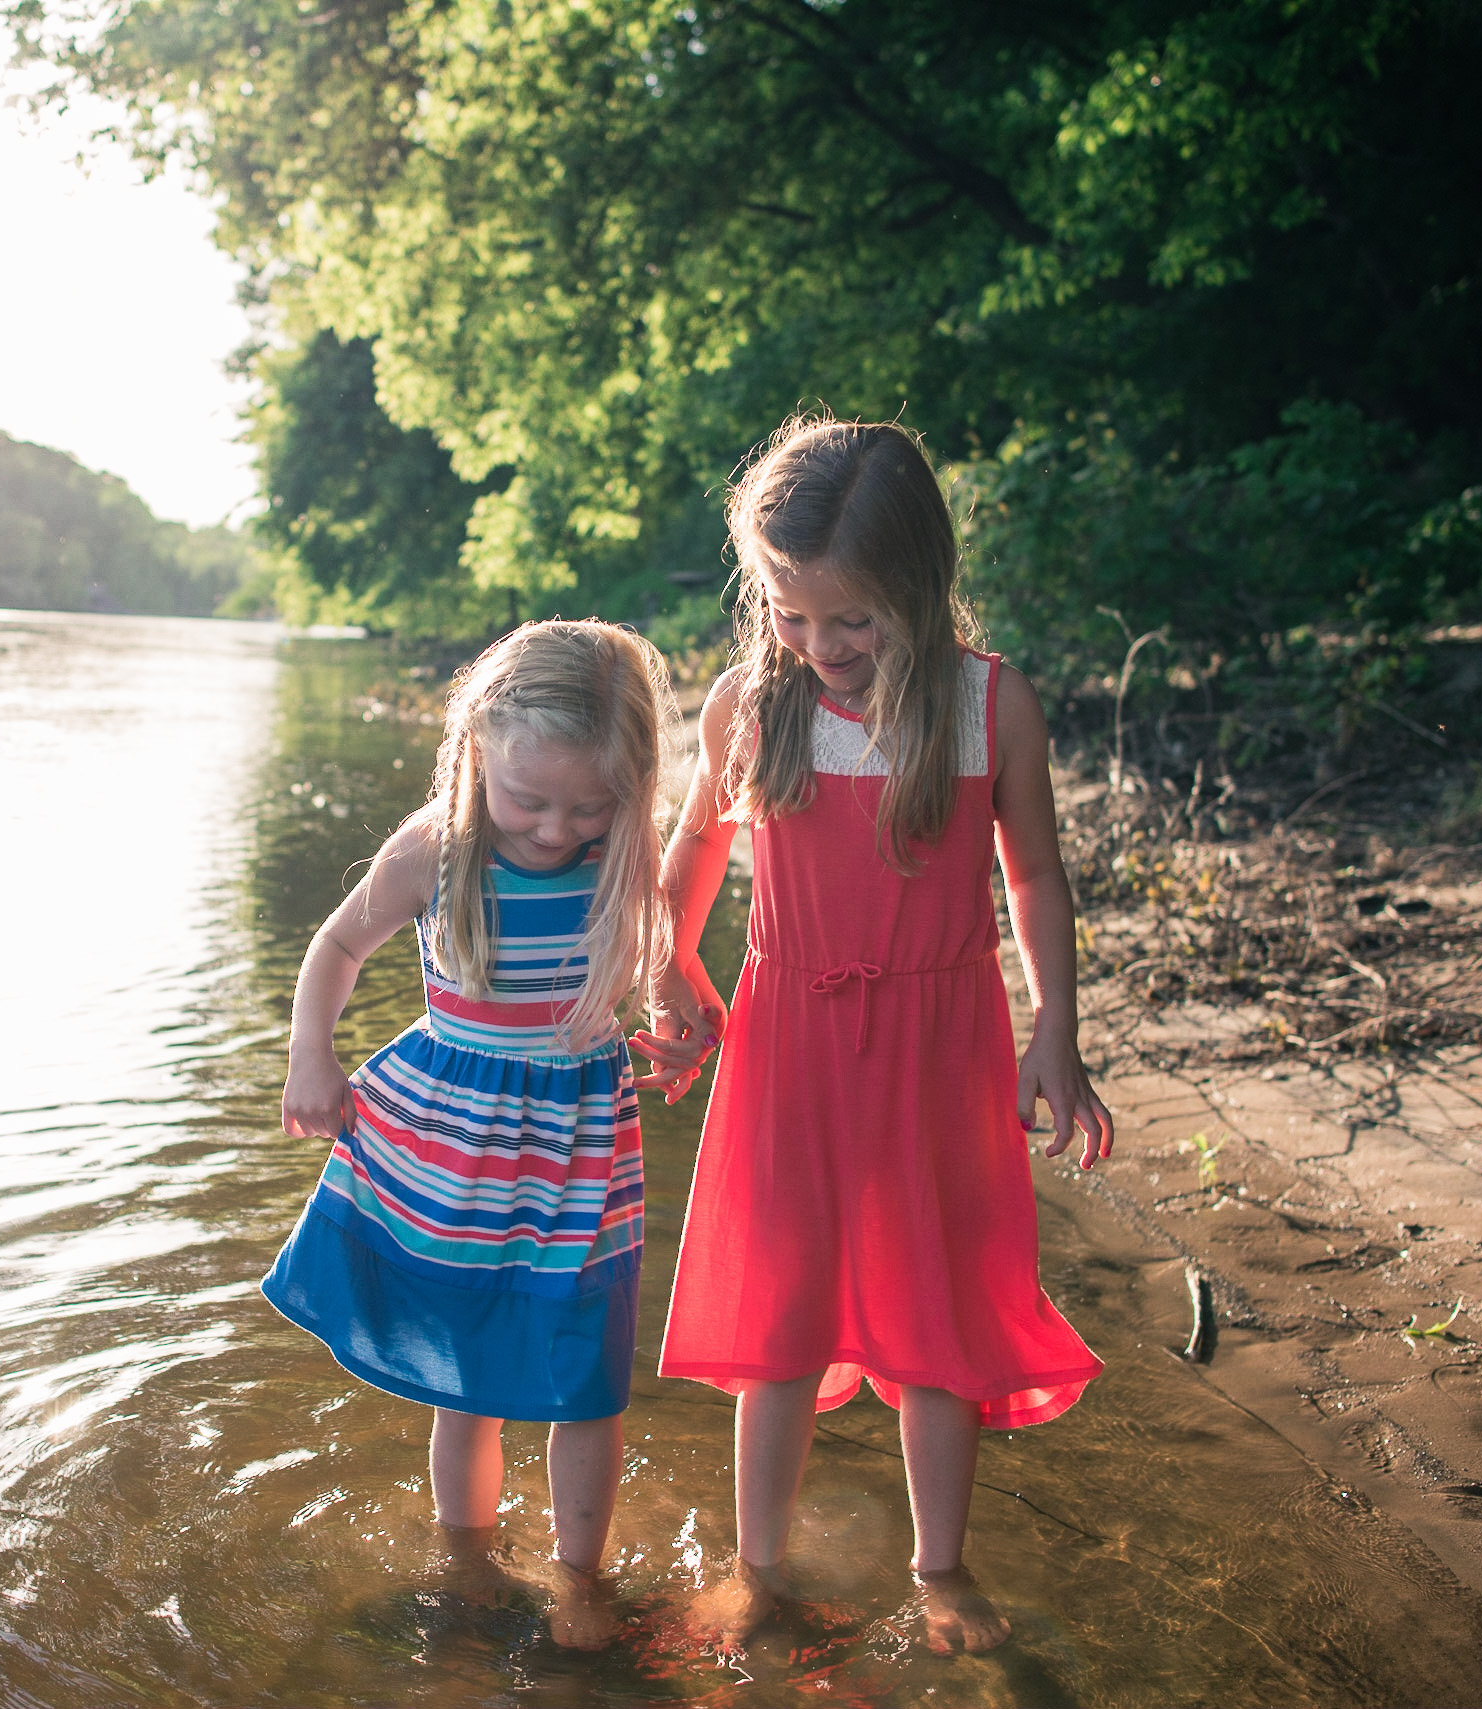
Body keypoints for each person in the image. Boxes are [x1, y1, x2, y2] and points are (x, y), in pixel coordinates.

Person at [636, 416, 1114, 1658]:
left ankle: (940, 1565)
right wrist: (676, 958)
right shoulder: (753, 700)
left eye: (851, 619)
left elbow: (1037, 879)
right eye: (792, 615)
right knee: (781, 1307)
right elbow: (697, 840)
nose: (822, 646)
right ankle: (756, 1565)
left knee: (940, 1306)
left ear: (920, 582)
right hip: (786, 1037)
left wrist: (1054, 1032)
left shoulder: (988, 704)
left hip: (938, 1044)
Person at [262, 618, 676, 1650]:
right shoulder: (434, 850)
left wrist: (678, 1014)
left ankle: (581, 1581)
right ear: (476, 755)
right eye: (527, 798)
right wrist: (310, 1052)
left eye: (587, 803)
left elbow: (655, 940)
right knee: (470, 1381)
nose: (552, 827)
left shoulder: (622, 843)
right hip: (453, 1151)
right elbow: (336, 942)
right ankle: (470, 1562)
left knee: (587, 1382)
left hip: (580, 1150)